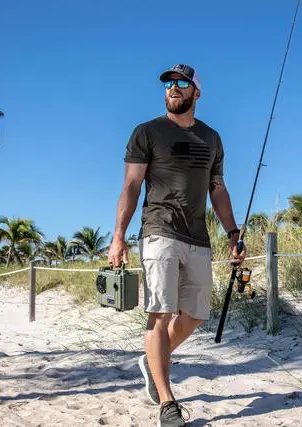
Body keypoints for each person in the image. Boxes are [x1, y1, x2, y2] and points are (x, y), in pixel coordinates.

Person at [108, 64, 246, 427]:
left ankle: (153, 360)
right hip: (159, 231)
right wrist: (118, 236)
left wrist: (233, 232)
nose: (173, 87)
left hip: (198, 236)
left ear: (196, 93)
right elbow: (131, 186)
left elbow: (218, 188)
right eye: (169, 82)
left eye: (182, 82)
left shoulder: (212, 138)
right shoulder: (147, 132)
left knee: (197, 313)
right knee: (161, 312)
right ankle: (167, 403)